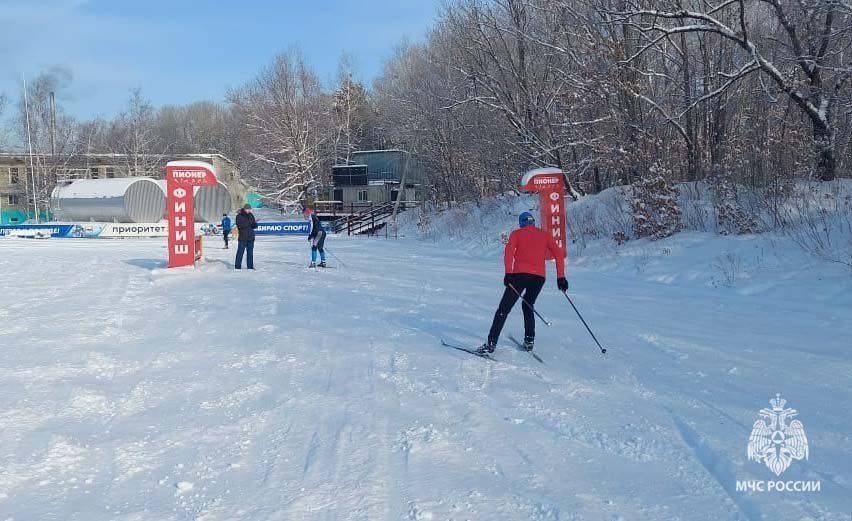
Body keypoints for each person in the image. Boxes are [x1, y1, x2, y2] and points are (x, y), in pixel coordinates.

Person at [479, 212, 568, 354]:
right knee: (528, 305)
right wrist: (561, 277)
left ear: (521, 223)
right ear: (533, 222)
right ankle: (529, 340)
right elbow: (558, 253)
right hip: (539, 278)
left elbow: (508, 252)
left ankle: (491, 344)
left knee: (503, 309)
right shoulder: (544, 235)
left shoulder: (517, 234)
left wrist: (508, 273)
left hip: (519, 276)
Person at [234, 204, 257, 270]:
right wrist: (249, 223)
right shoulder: (239, 216)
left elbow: (252, 225)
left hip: (251, 237)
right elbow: (240, 226)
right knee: (240, 253)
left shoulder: (251, 215)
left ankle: (250, 267)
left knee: (250, 253)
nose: (248, 210)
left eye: (249, 209)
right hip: (242, 238)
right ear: (244, 209)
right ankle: (237, 267)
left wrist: (255, 224)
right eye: (247, 209)